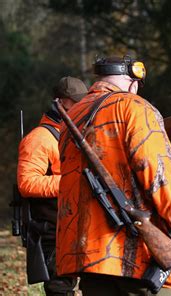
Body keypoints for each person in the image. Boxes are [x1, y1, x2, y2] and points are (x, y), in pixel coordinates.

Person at [56, 56, 171, 296]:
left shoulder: (73, 115)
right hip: (134, 255)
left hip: (87, 254)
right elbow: (158, 171)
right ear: (133, 83)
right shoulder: (133, 107)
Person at [17, 76, 87, 295]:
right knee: (59, 287)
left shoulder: (71, 133)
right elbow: (26, 183)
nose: (81, 106)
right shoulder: (39, 138)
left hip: (71, 224)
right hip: (52, 229)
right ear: (61, 102)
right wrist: (72, 181)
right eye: (76, 101)